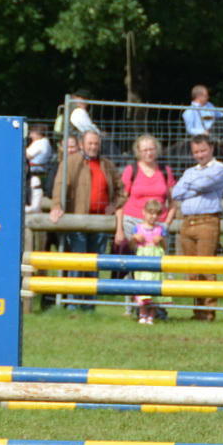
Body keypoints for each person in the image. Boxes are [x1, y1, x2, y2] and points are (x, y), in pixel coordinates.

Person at [172, 134, 223, 320]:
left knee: (206, 267)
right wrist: (196, 186)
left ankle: (209, 311)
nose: (199, 155)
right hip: (187, 222)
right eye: (196, 151)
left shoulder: (220, 168)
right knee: (192, 269)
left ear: (211, 148)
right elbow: (176, 193)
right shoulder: (190, 172)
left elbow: (204, 183)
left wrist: (192, 185)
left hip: (207, 221)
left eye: (203, 150)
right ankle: (197, 310)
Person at [49, 129, 122, 272]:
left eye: (96, 143)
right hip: (78, 222)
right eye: (90, 143)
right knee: (78, 264)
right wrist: (56, 206)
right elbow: (59, 186)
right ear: (81, 144)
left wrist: (114, 204)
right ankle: (74, 294)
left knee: (95, 265)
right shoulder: (70, 163)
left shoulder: (107, 165)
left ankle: (91, 295)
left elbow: (121, 189)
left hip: (101, 223)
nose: (93, 147)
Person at [112, 135, 175, 255]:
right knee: (132, 262)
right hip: (132, 223)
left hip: (158, 224)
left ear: (157, 150)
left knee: (157, 259)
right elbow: (120, 201)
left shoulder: (165, 171)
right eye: (145, 150)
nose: (149, 153)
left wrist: (166, 224)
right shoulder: (131, 170)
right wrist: (119, 229)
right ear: (138, 152)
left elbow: (173, 202)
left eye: (152, 149)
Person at [130, 199, 168, 324]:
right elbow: (130, 245)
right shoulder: (138, 228)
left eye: (156, 214)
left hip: (156, 261)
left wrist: (160, 240)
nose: (153, 217)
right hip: (142, 261)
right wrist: (135, 238)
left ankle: (151, 315)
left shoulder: (160, 229)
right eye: (151, 213)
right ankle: (142, 313)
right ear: (144, 213)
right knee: (142, 287)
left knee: (155, 288)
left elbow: (165, 246)